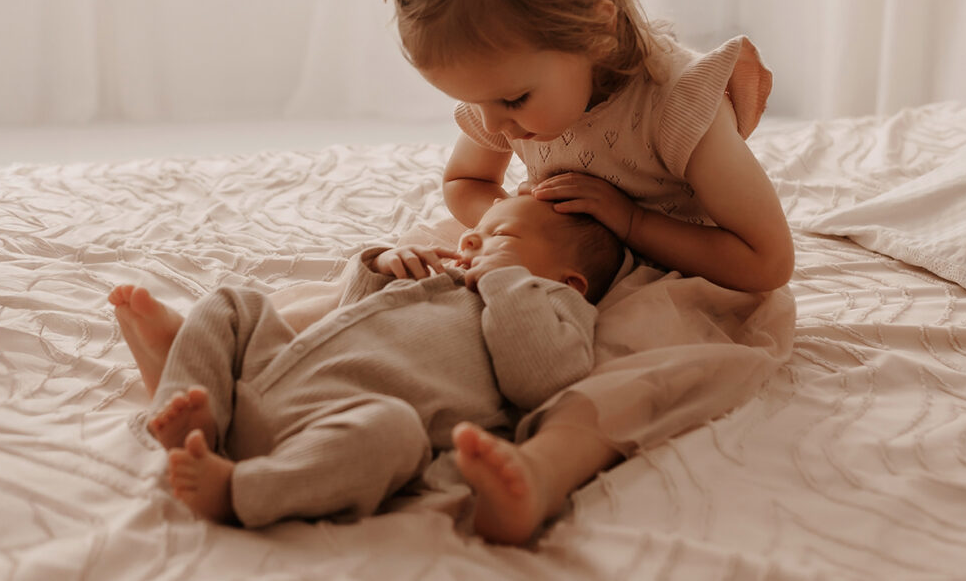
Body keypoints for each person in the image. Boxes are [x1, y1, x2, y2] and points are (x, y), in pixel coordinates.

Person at [383, 0, 795, 543]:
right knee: (405, 281)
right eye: (474, 103)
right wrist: (509, 228)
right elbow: (465, 181)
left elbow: (768, 261)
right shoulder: (509, 89)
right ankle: (260, 362)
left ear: (597, 31)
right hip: (558, 266)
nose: (496, 126)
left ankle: (543, 470)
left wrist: (630, 224)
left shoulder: (678, 104)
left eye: (511, 102)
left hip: (680, 280)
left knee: (631, 371)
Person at [109, 196, 623, 528]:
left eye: (501, 236)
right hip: (278, 377)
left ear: (569, 280)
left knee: (395, 431)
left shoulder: (555, 306)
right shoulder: (448, 277)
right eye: (477, 232)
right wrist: (381, 267)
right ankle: (193, 408)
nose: (471, 241)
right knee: (234, 302)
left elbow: (539, 380)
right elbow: (348, 313)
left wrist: (506, 279)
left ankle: (238, 490)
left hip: (345, 423)